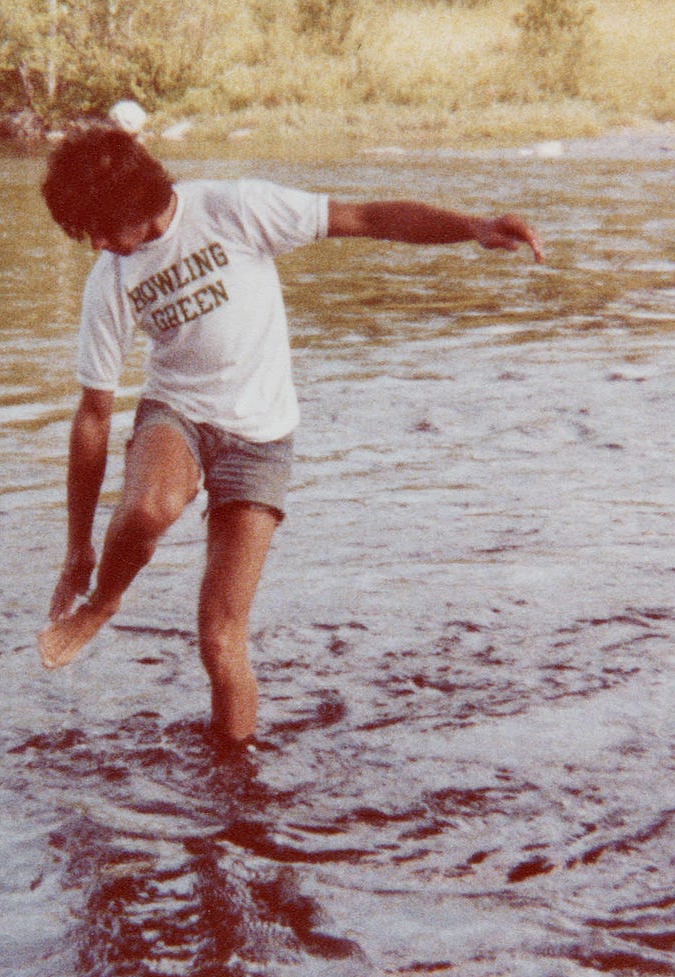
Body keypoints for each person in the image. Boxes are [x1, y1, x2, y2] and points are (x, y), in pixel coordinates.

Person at [37, 127, 542, 746]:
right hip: (179, 414)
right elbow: (92, 416)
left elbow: (367, 217)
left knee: (221, 639)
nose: (95, 243)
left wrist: (472, 225)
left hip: (262, 438)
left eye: (102, 225)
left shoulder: (235, 209)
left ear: (139, 199)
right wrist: (79, 549)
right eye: (82, 230)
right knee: (148, 506)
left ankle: (235, 783)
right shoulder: (110, 278)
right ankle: (103, 605)